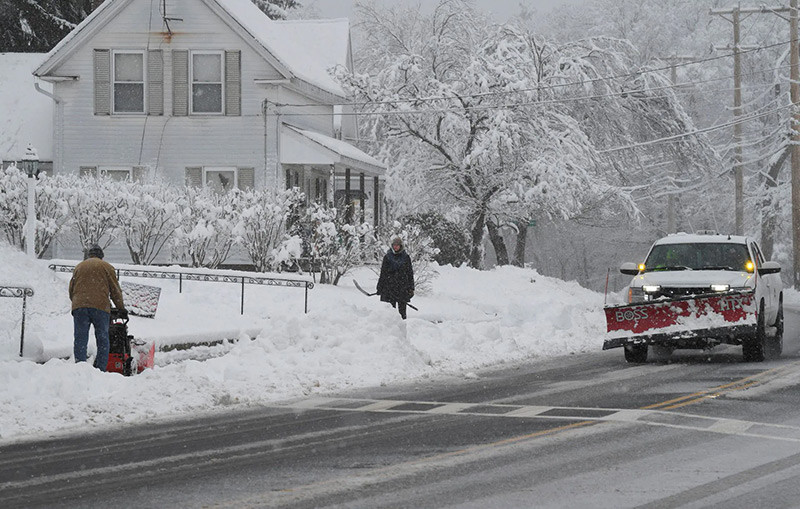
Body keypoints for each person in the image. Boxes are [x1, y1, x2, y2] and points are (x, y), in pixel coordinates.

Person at [69, 245, 126, 371]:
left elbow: (71, 289)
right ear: (101, 256)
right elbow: (115, 290)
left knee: (80, 338)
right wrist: (121, 308)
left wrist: (79, 302)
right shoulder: (106, 267)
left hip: (80, 306)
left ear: (89, 255)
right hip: (100, 307)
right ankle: (101, 369)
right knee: (102, 339)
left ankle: (80, 368)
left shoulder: (79, 267)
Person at [376, 236, 415, 319]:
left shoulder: (406, 257)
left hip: (402, 288)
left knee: (402, 313)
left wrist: (411, 288)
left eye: (397, 245)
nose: (395, 247)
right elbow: (383, 273)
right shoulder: (387, 257)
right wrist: (380, 287)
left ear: (401, 246)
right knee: (389, 312)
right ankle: (390, 329)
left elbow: (410, 273)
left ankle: (403, 329)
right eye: (394, 245)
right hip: (389, 287)